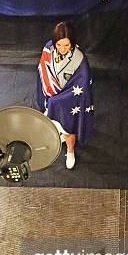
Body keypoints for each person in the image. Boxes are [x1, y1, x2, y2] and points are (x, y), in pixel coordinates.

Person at [37, 21, 94, 170]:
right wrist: (52, 97)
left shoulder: (79, 59)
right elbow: (43, 70)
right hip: (53, 98)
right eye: (59, 45)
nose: (62, 49)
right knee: (52, 125)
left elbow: (82, 88)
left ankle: (70, 150)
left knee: (68, 131)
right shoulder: (49, 49)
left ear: (73, 43)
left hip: (69, 103)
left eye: (67, 45)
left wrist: (57, 101)